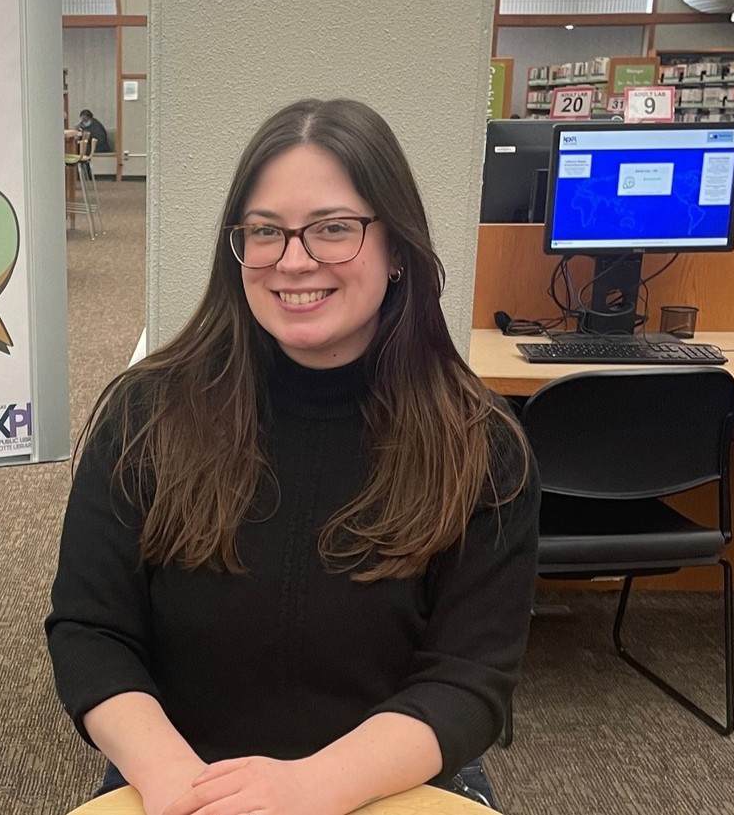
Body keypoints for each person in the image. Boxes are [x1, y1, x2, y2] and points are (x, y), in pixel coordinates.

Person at [46, 98, 539, 815]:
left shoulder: (477, 441)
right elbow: (91, 631)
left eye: (333, 228)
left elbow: (468, 678)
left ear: (397, 249)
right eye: (265, 231)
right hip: (184, 777)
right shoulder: (147, 413)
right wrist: (182, 783)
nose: (293, 260)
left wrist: (307, 787)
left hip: (388, 781)